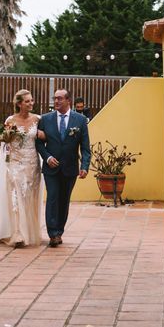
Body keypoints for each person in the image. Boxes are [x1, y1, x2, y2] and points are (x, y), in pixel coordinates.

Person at [0, 90, 43, 247]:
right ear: (19, 104)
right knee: (16, 196)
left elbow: (44, 137)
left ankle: (29, 231)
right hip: (15, 164)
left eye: (32, 101)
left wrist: (42, 135)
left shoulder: (38, 119)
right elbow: (6, 142)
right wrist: (6, 139)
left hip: (32, 163)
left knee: (29, 197)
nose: (31, 103)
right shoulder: (10, 120)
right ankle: (17, 232)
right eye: (27, 101)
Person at [36, 89, 91, 247]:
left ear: (68, 101)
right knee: (52, 198)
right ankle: (53, 234)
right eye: (55, 98)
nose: (57, 101)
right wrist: (47, 157)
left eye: (60, 98)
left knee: (64, 200)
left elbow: (85, 147)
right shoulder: (45, 119)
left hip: (70, 168)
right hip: (51, 168)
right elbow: (38, 143)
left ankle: (59, 230)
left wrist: (85, 166)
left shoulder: (80, 120)